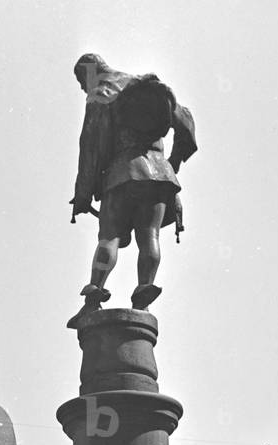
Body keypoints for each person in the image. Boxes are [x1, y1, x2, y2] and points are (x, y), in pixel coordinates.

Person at [70, 54, 197, 323]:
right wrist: (171, 165)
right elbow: (186, 122)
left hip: (122, 174)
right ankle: (143, 298)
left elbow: (90, 149)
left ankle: (93, 298)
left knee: (109, 237)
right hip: (159, 177)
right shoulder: (142, 85)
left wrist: (82, 195)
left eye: (82, 81)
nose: (83, 88)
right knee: (149, 235)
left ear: (88, 72)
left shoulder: (101, 93)